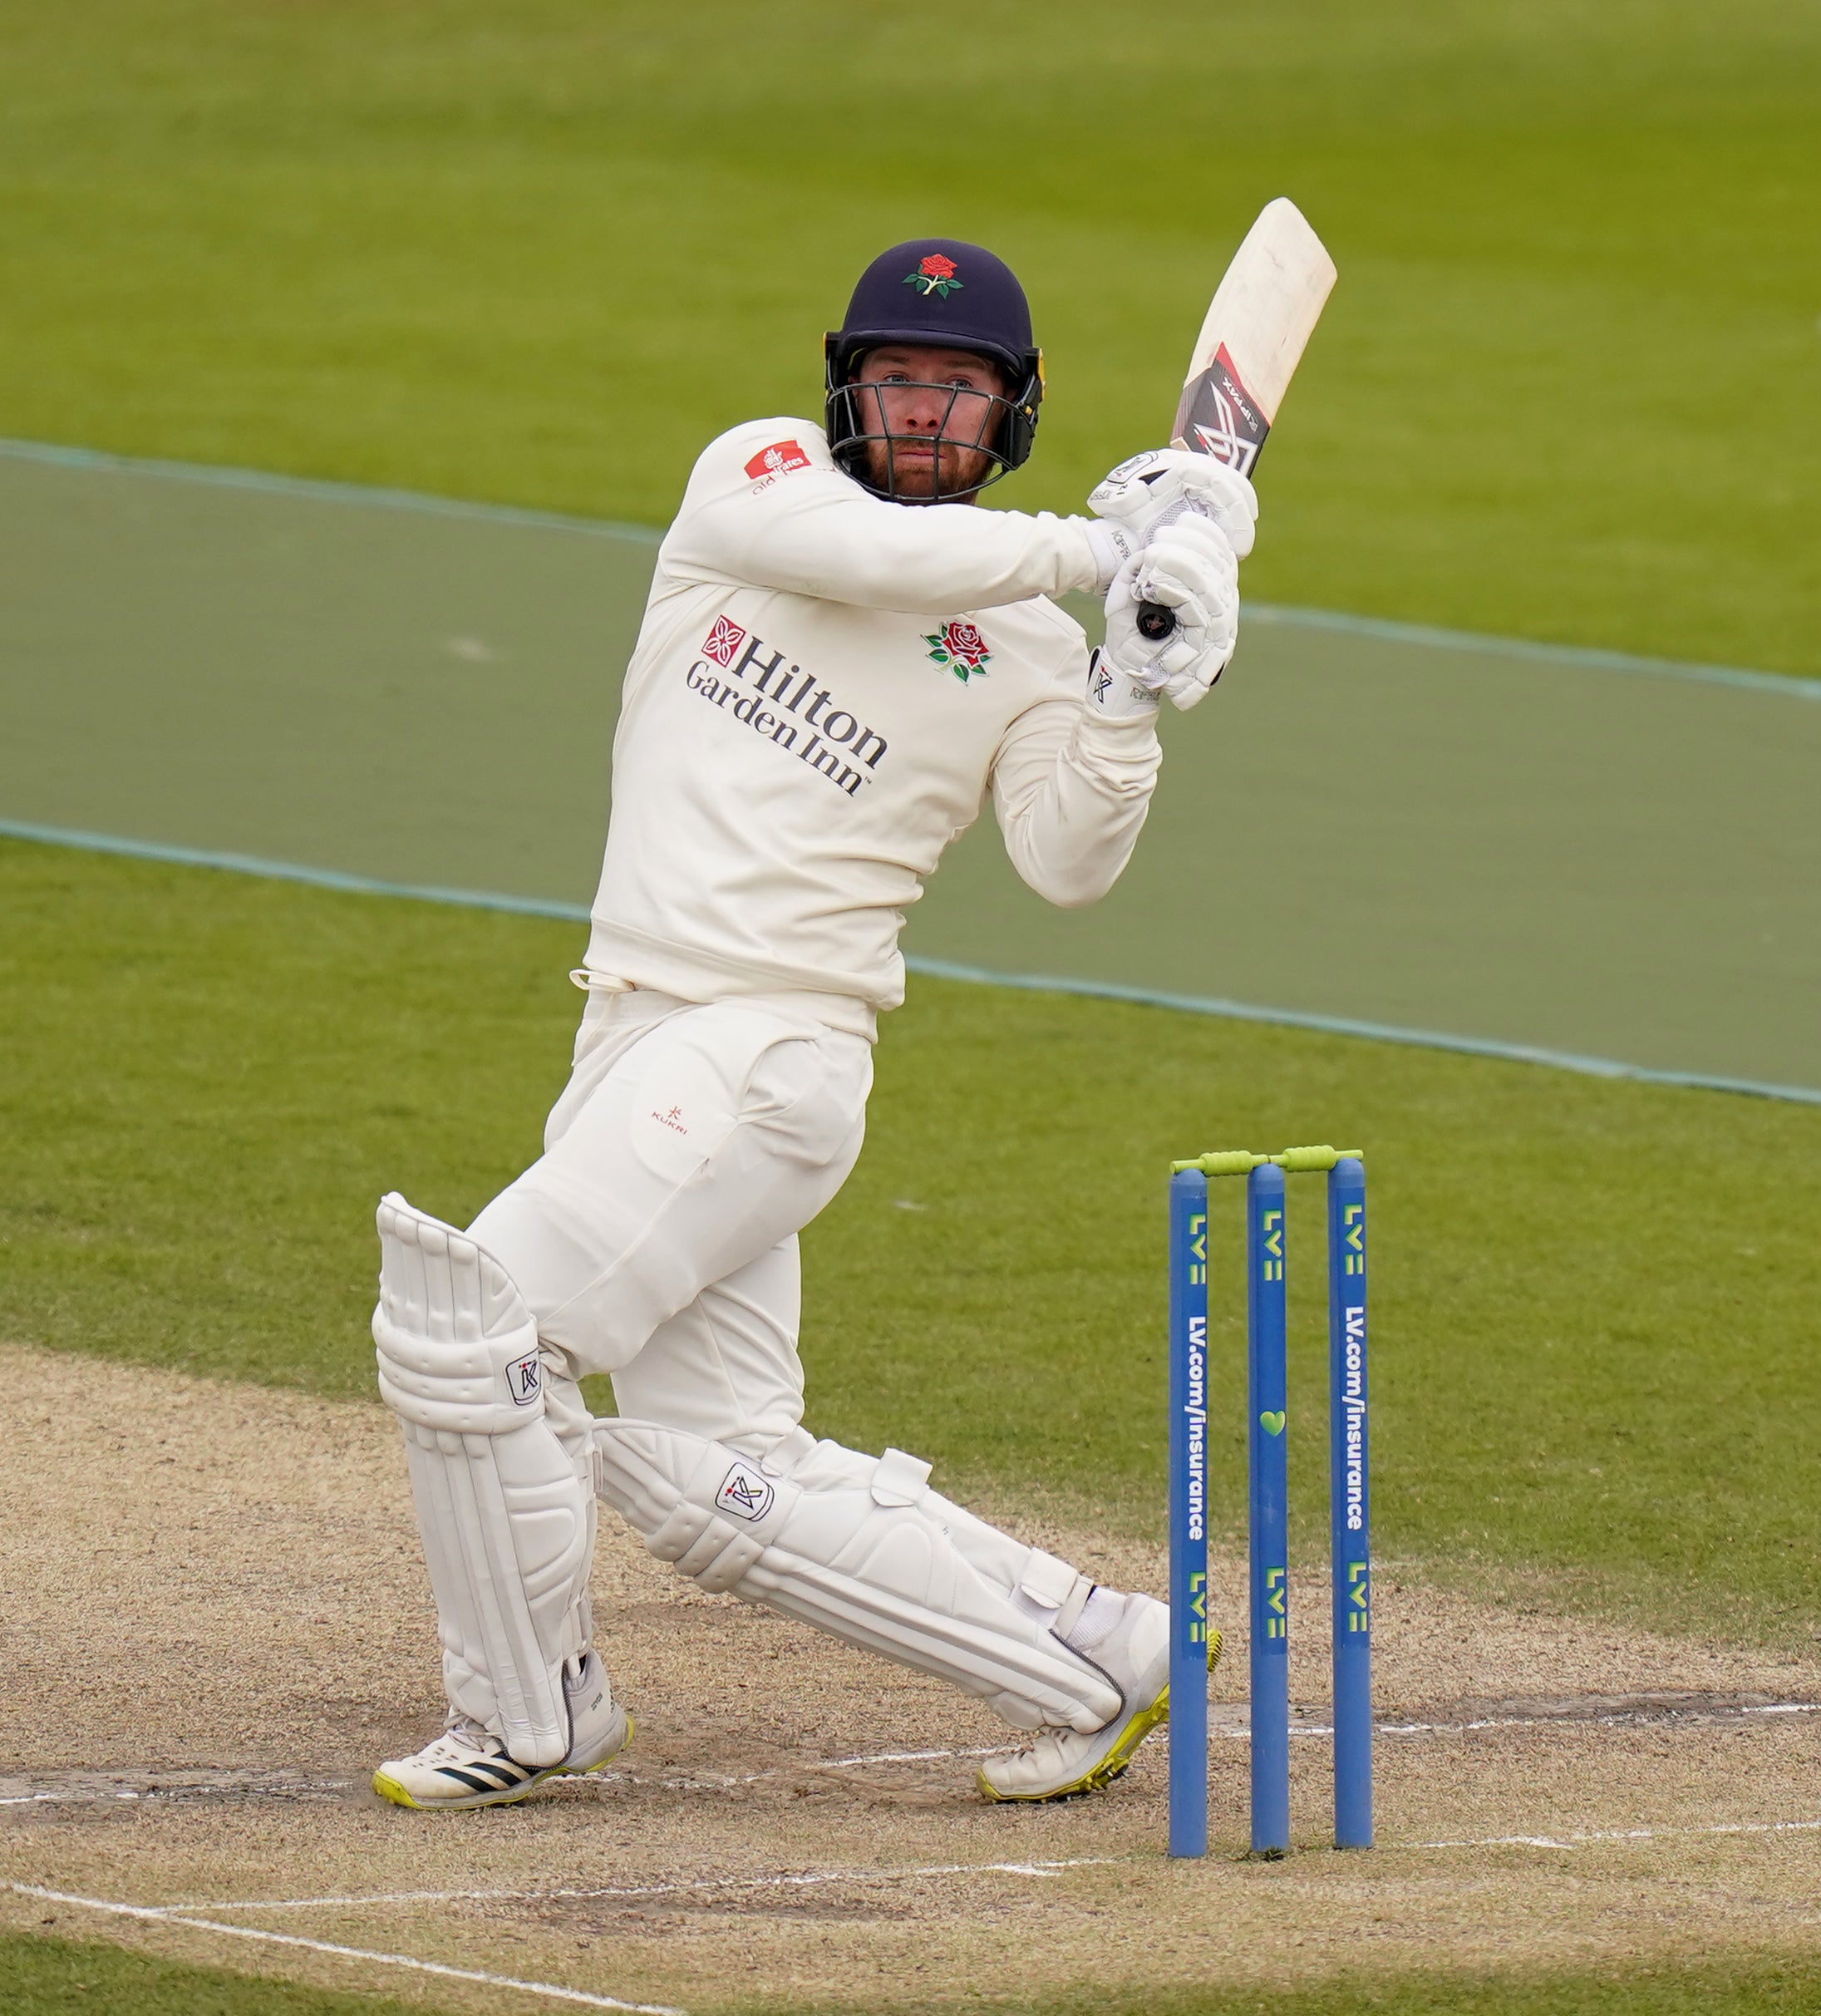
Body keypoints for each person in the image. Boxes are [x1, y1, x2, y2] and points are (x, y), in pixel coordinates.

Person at [369, 238, 1255, 1813]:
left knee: (477, 1319)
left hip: (769, 1051)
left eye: (959, 391)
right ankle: (1097, 1654)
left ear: (1013, 410)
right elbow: (882, 562)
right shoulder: (755, 483)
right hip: (637, 1039)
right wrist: (1100, 538)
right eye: (899, 382)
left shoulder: (1038, 640)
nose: (925, 415)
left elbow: (1063, 861)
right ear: (845, 391)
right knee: (720, 1469)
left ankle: (526, 1708)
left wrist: (1129, 686)